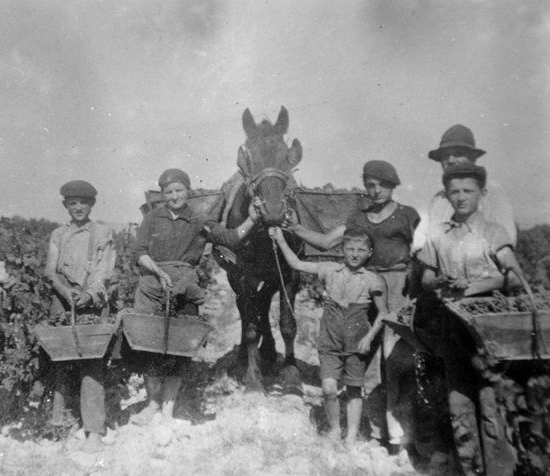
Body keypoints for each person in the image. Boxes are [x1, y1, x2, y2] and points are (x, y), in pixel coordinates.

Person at [285, 161, 420, 454]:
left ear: (393, 185)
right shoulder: (358, 217)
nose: (375, 190)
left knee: (397, 361)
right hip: (364, 289)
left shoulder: (408, 215)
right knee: (367, 366)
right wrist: (294, 226)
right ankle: (376, 433)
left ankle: (403, 436)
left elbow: (423, 252)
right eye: (370, 185)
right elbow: (323, 242)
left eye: (381, 184)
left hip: (398, 288)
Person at [418, 160, 521, 476]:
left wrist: (471, 287)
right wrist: (439, 281)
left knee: (491, 409)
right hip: (453, 329)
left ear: (482, 193)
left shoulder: (493, 232)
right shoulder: (439, 235)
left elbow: (511, 273)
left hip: (487, 333)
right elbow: (426, 276)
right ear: (446, 194)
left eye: (468, 191)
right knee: (459, 406)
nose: (460, 197)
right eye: (454, 191)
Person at [130, 168, 259, 425]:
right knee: (148, 344)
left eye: (179, 190)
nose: (174, 196)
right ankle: (152, 403)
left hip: (184, 286)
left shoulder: (199, 220)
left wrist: (252, 220)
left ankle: (168, 407)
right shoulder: (153, 218)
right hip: (151, 285)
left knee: (178, 347)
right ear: (163, 194)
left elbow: (230, 238)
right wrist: (156, 270)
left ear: (187, 191)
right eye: (169, 192)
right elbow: (139, 251)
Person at [271, 225, 387, 446]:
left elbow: (383, 313)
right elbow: (296, 263)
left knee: (354, 389)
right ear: (342, 249)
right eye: (350, 249)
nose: (354, 254)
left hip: (356, 341)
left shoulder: (373, 280)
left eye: (361, 250)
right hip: (329, 338)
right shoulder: (329, 270)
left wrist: (369, 337)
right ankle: (334, 429)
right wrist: (280, 240)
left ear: (370, 253)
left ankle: (351, 435)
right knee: (328, 388)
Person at [43, 180, 116, 452]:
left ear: (92, 204)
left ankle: (94, 429)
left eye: (83, 203)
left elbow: (103, 272)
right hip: (61, 301)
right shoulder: (58, 234)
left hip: (92, 301)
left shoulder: (102, 233)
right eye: (72, 203)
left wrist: (87, 295)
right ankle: (60, 421)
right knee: (60, 360)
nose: (78, 208)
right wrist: (64, 290)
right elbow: (50, 271)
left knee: (92, 364)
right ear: (65, 205)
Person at [413, 124, 516, 251]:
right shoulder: (439, 199)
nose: (450, 160)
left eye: (458, 154)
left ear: (472, 158)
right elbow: (425, 238)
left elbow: (507, 238)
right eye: (445, 156)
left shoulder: (492, 192)